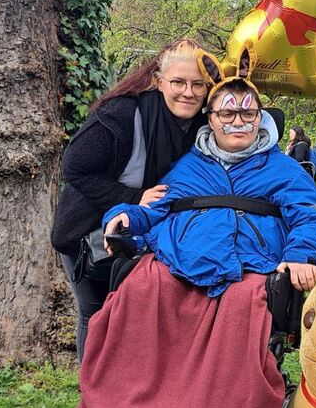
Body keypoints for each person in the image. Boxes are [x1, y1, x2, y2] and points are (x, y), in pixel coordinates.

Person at [73, 68, 316, 408]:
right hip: (178, 263)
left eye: (247, 115)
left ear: (259, 119)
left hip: (248, 268)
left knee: (244, 305)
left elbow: (315, 218)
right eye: (226, 114)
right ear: (211, 118)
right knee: (141, 288)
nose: (237, 122)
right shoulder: (188, 167)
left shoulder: (282, 169)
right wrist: (124, 216)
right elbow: (152, 210)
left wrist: (301, 254)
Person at [50, 38, 209, 362]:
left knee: (137, 320)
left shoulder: (201, 126)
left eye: (198, 85)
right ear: (159, 81)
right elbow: (75, 168)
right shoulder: (123, 114)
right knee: (95, 315)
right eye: (178, 82)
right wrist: (134, 197)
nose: (187, 92)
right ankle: (92, 393)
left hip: (146, 235)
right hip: (89, 233)